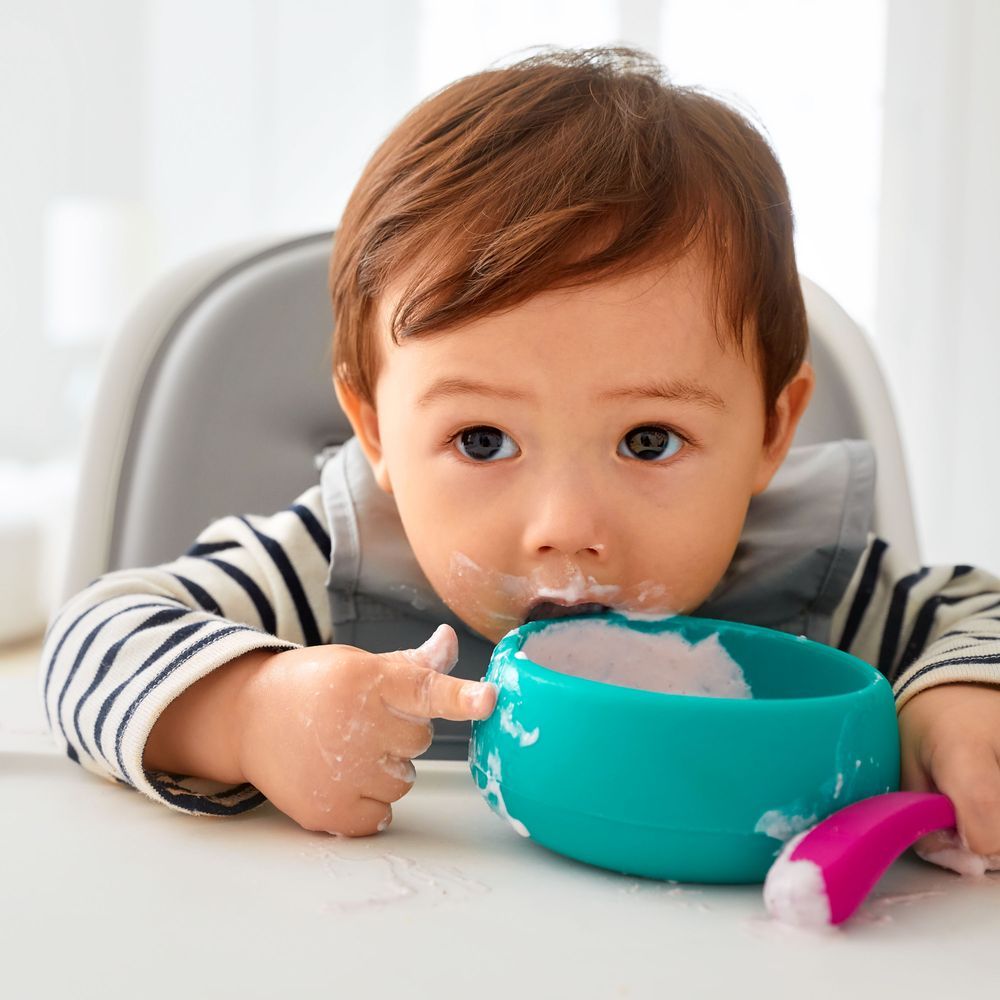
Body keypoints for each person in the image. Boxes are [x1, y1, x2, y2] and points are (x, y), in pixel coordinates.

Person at [41, 46, 1000, 871]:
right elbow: (89, 643)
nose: (566, 528)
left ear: (768, 436)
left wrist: (955, 699)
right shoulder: (334, 571)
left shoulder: (806, 586)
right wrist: (248, 709)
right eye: (483, 441)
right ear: (375, 431)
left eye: (649, 441)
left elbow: (979, 617)